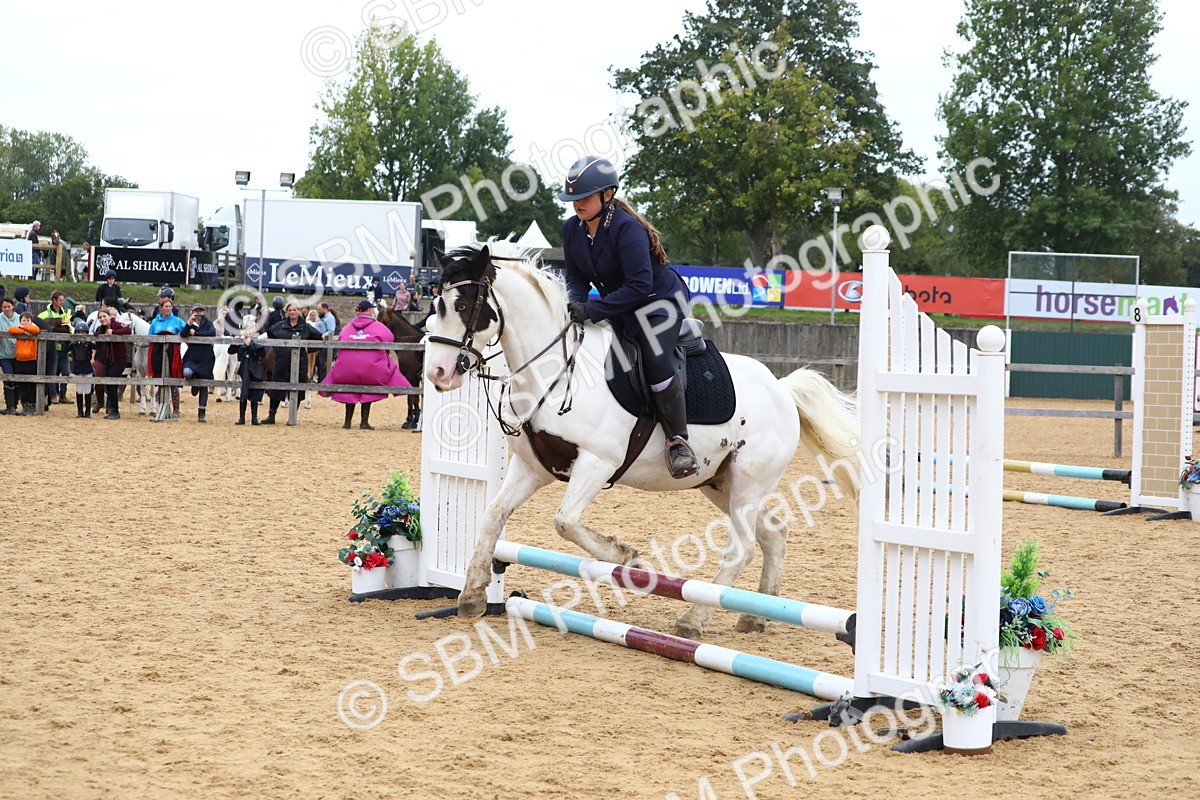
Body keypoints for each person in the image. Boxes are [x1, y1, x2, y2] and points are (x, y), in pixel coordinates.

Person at [559, 155, 698, 479]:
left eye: (584, 197)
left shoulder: (626, 228)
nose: (577, 204)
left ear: (607, 195)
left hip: (659, 301)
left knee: (653, 356)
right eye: (573, 199)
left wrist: (592, 310)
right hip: (621, 305)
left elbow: (640, 285)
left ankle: (678, 440)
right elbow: (577, 276)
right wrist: (575, 305)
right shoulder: (572, 229)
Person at [320, 299, 411, 429]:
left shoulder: (348, 327)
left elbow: (341, 339)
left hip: (347, 370)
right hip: (371, 369)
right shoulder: (378, 326)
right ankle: (364, 422)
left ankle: (347, 422)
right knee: (369, 387)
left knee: (349, 389)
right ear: (369, 311)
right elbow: (390, 337)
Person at [262, 301, 323, 425]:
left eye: (294, 310)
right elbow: (270, 334)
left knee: (298, 389)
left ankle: (292, 416)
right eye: (290, 310)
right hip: (281, 363)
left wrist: (307, 349)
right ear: (287, 312)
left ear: (299, 311)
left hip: (300, 363)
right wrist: (277, 348)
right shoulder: (280, 326)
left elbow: (318, 339)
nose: (292, 312)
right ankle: (271, 415)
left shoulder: (305, 327)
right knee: (276, 389)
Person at [147, 297, 186, 419]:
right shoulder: (155, 322)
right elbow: (150, 336)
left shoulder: (177, 321)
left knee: (173, 380)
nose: (168, 308)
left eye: (170, 306)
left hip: (172, 353)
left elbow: (185, 332)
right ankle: (162, 406)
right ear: (161, 308)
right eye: (166, 306)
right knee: (159, 381)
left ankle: (176, 409)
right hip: (158, 353)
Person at [93, 307, 131, 420]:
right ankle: (112, 409)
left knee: (110, 382)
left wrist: (113, 332)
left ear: (110, 316)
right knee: (110, 384)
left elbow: (128, 331)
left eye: (104, 316)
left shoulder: (118, 325)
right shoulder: (101, 329)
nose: (102, 319)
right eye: (100, 317)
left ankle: (115, 410)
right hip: (108, 360)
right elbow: (97, 341)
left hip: (119, 360)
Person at [181, 303, 216, 423]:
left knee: (204, 384)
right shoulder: (190, 323)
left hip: (206, 358)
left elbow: (212, 333)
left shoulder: (208, 323)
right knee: (187, 373)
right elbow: (182, 334)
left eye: (200, 311)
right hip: (192, 357)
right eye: (196, 311)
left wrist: (195, 334)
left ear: (204, 313)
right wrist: (189, 323)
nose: (198, 313)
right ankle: (193, 382)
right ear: (192, 313)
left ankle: (202, 412)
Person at [36, 291, 72, 405]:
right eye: (60, 300)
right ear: (54, 301)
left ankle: (63, 393)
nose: (63, 302)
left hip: (64, 347)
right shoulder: (44, 314)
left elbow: (70, 328)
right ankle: (53, 394)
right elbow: (39, 325)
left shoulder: (65, 314)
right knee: (52, 371)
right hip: (52, 347)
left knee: (66, 371)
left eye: (63, 300)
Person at [228, 332, 267, 425]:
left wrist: (250, 344)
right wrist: (235, 342)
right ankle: (242, 418)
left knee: (255, 392)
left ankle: (254, 418)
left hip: (254, 369)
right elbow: (231, 351)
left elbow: (262, 353)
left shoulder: (258, 341)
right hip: (244, 369)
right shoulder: (241, 342)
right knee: (243, 392)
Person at [7, 313, 40, 415]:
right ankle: (25, 405)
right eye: (23, 320)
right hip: (20, 360)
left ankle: (32, 405)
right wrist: (23, 331)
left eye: (28, 320)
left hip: (31, 360)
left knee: (30, 384)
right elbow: (11, 329)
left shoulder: (34, 329)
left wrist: (26, 329)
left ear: (31, 321)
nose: (25, 322)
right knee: (21, 384)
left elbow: (36, 330)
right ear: (20, 321)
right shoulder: (18, 329)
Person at [69, 320, 95, 418]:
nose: (81, 334)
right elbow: (65, 350)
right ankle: (80, 411)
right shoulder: (74, 343)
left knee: (88, 389)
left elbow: (97, 347)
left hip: (87, 367)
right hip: (77, 367)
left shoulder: (88, 343)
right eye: (79, 333)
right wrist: (72, 342)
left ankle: (88, 412)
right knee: (79, 389)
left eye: (83, 333)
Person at [0, 297, 21, 414]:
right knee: (8, 377)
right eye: (4, 307)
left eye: (9, 306)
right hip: (3, 355)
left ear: (13, 306)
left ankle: (15, 405)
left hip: (17, 354)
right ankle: (10, 406)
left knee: (17, 378)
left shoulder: (19, 318)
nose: (7, 309)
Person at [312, 301, 337, 381]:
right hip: (318, 343)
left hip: (324, 344)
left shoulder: (330, 318)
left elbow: (331, 331)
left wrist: (323, 335)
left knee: (322, 362)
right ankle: (319, 378)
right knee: (317, 362)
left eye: (319, 309)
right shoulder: (320, 317)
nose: (318, 311)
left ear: (325, 309)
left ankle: (323, 379)